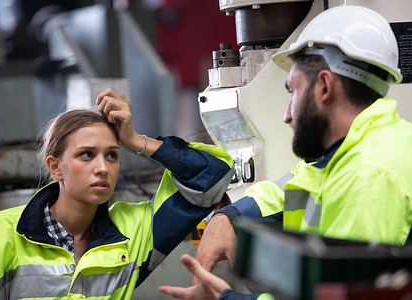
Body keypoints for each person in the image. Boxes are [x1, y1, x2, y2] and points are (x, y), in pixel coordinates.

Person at [159, 5, 412, 300]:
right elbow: (293, 186)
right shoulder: (371, 144)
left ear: (325, 87)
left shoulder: (369, 177)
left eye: (293, 91)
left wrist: (226, 299)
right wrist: (231, 216)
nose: (287, 116)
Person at [0, 88, 234, 299]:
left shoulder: (133, 233)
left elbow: (212, 175)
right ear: (55, 167)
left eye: (112, 155)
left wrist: (136, 141)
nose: (103, 168)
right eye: (87, 155)